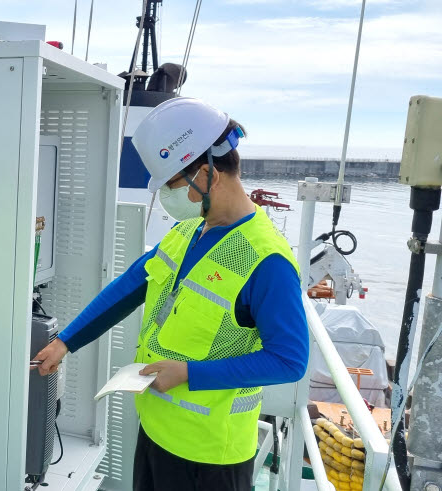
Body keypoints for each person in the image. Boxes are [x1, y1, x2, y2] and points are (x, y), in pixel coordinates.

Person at [32, 97, 309, 491]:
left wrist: (188, 374)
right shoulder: (186, 233)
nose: (165, 196)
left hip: (212, 457)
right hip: (158, 432)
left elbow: (289, 361)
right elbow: (127, 289)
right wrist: (65, 342)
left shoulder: (267, 261)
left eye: (172, 184)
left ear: (208, 174)